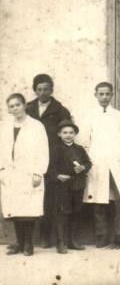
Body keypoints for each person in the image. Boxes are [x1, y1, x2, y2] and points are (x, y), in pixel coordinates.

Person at [82, 82, 120, 248]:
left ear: (112, 95)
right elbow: (84, 140)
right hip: (97, 162)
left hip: (115, 161)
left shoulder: (118, 116)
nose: (104, 97)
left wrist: (114, 153)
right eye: (101, 94)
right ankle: (102, 235)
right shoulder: (90, 116)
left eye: (107, 94)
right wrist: (95, 156)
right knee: (100, 199)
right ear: (96, 95)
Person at [25, 73, 73, 248]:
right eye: (39, 89)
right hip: (33, 158)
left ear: (52, 90)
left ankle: (52, 238)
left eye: (46, 89)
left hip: (53, 159)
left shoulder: (61, 110)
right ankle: (30, 238)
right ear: (35, 90)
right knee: (32, 197)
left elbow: (66, 135)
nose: (42, 93)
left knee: (52, 199)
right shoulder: (28, 109)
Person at [0, 93, 49, 256]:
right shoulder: (4, 126)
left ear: (24, 105)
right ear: (8, 109)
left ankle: (28, 244)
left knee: (28, 210)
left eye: (18, 105)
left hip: (29, 173)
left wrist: (38, 172)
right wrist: (1, 171)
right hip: (10, 174)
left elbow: (43, 151)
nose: (15, 108)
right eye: (11, 106)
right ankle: (19, 243)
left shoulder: (36, 126)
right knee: (14, 209)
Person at [46, 119, 91, 253]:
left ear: (75, 134)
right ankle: (61, 243)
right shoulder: (55, 149)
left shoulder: (79, 149)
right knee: (62, 214)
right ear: (59, 134)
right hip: (62, 187)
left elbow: (88, 163)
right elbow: (49, 168)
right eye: (65, 132)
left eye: (71, 132)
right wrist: (57, 176)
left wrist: (83, 167)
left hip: (77, 185)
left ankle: (72, 241)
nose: (68, 135)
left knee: (75, 212)